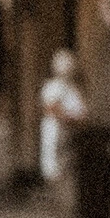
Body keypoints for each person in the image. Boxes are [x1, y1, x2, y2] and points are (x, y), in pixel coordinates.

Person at [40, 48, 86, 183]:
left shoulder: (73, 88)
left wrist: (78, 119)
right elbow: (52, 109)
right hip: (58, 135)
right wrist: (70, 118)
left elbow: (82, 113)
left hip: (71, 137)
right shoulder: (52, 87)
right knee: (57, 175)